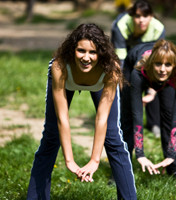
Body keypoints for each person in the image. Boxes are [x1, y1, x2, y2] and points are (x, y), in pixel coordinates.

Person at [26, 23, 137, 200]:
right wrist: (69, 160)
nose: (86, 57)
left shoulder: (111, 69)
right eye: (81, 51)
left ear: (101, 52)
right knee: (51, 135)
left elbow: (102, 118)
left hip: (101, 80)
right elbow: (63, 118)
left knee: (113, 137)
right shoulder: (60, 66)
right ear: (72, 50)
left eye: (93, 52)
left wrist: (94, 161)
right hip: (67, 79)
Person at [124, 39, 176, 183]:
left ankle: (175, 168)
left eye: (168, 64)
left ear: (174, 65)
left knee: (169, 115)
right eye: (158, 63)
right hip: (134, 66)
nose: (162, 69)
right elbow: (137, 115)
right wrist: (140, 154)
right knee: (128, 117)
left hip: (166, 80)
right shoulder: (138, 73)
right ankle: (120, 169)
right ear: (152, 62)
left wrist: (172, 154)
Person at [111, 0, 165, 137]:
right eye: (137, 16)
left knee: (155, 82)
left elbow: (158, 58)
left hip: (148, 55)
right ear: (131, 16)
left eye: (145, 16)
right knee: (126, 84)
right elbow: (120, 59)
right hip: (126, 53)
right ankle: (124, 122)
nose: (141, 20)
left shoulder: (158, 28)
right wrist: (122, 81)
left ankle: (154, 123)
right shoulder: (121, 26)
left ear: (151, 16)